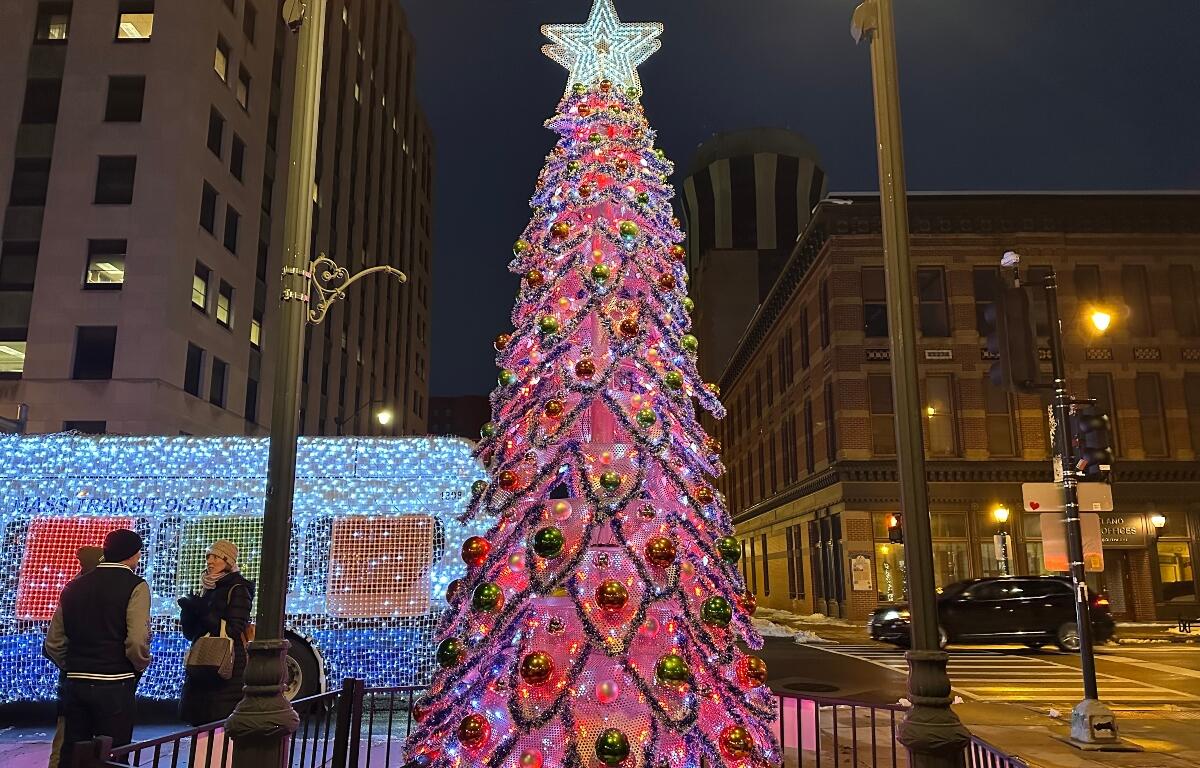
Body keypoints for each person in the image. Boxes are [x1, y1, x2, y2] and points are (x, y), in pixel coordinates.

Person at [43, 531, 151, 767]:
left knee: (73, 752)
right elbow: (136, 640)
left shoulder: (74, 586)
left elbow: (53, 642)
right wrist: (139, 665)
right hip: (115, 682)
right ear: (133, 555)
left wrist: (73, 664)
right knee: (113, 754)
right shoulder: (136, 586)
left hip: (77, 682)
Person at [178, 540, 254, 726]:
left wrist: (203, 611)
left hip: (226, 667)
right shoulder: (208, 588)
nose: (210, 561)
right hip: (203, 664)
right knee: (201, 724)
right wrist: (188, 613)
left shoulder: (238, 589)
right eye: (208, 556)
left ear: (228, 561)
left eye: (216, 557)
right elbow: (192, 634)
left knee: (219, 724)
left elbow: (233, 630)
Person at [46, 546, 104, 768]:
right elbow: (54, 642)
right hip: (100, 683)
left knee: (66, 744)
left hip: (72, 681)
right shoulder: (103, 593)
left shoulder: (71, 590)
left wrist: (70, 665)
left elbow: (54, 643)